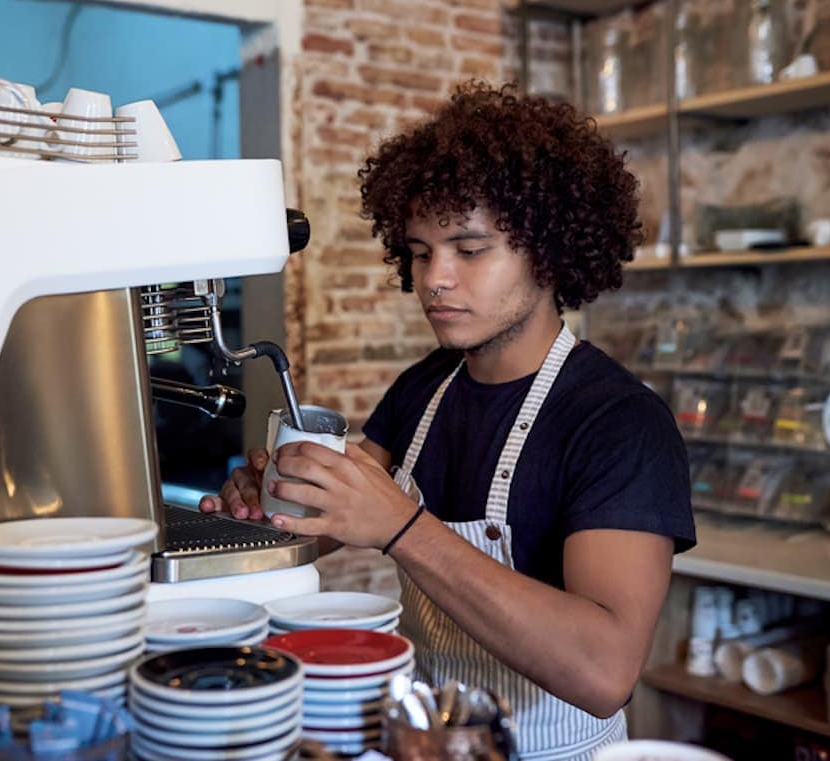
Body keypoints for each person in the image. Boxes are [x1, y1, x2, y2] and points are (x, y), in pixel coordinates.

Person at [200, 81, 696, 760]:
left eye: (468, 249)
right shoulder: (423, 388)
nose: (433, 278)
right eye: (419, 250)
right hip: (423, 743)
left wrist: (404, 528)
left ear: (547, 253)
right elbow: (337, 519)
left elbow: (604, 669)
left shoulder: (621, 423)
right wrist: (273, 509)